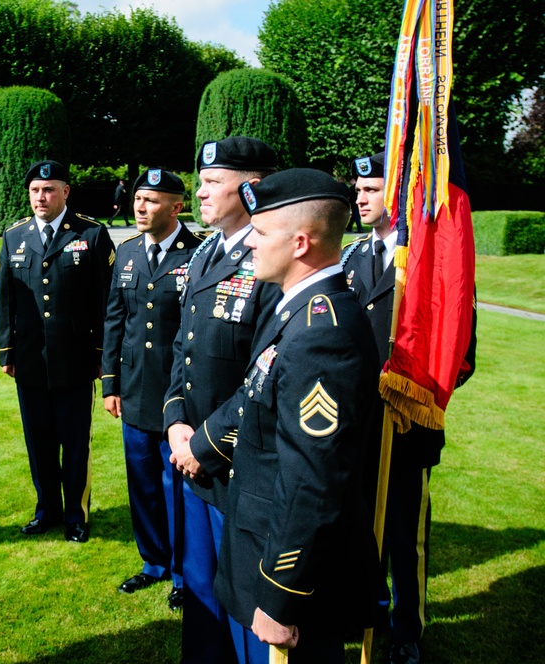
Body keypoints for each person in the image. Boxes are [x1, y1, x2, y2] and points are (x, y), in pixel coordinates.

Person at [202, 168, 380, 663]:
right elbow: (258, 396)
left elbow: (312, 482)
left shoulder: (322, 333)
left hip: (287, 580)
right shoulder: (295, 309)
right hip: (257, 546)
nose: (250, 245)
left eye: (260, 234)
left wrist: (280, 597)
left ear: (300, 242)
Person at [343, 152, 476, 664]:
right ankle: (366, 609)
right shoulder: (352, 258)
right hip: (356, 426)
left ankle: (407, 629)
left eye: (371, 189)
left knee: (405, 537)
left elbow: (459, 350)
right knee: (359, 528)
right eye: (358, 189)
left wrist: (414, 396)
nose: (360, 197)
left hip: (405, 427)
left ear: (397, 195)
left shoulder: (431, 260)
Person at [163, 137, 282, 663]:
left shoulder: (268, 258)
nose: (200, 192)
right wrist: (173, 422)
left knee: (244, 602)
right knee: (203, 590)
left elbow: (265, 377)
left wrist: (202, 445)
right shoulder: (206, 250)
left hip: (238, 463)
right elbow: (182, 348)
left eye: (213, 182)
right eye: (201, 180)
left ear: (251, 188)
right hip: (192, 456)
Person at [0, 160, 115, 543]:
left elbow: (107, 300)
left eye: (48, 189)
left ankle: (76, 515)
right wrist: (7, 352)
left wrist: (102, 356)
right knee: (39, 443)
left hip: (77, 361)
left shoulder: (92, 234)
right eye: (35, 190)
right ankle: (45, 510)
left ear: (65, 192)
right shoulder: (14, 236)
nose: (41, 197)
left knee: (76, 443)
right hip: (31, 361)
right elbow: (6, 299)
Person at [101, 168, 203, 610]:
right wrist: (110, 382)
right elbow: (114, 321)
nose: (140, 207)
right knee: (141, 481)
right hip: (136, 388)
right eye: (138, 198)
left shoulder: (198, 255)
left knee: (177, 485)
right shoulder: (125, 254)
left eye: (152, 200)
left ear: (177, 206)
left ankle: (185, 571)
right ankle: (154, 562)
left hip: (180, 394)